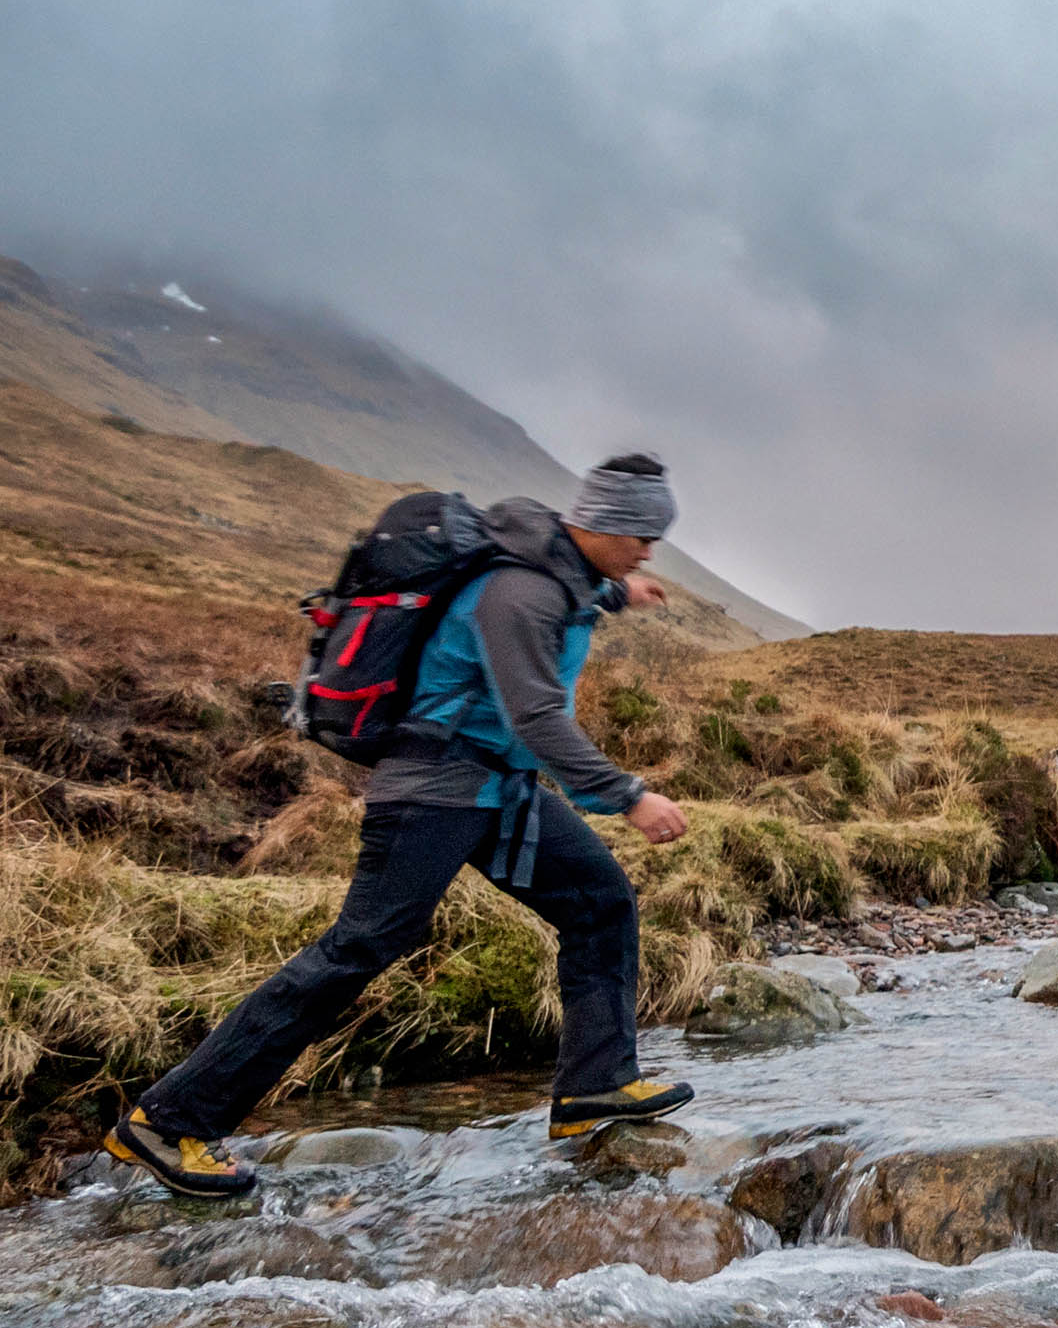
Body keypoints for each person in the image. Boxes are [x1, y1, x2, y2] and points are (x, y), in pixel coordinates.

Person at [109, 457, 700, 1199]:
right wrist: (629, 796)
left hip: (496, 790)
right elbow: (536, 716)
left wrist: (619, 592)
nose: (650, 550)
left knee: (599, 900)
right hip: (434, 792)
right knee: (358, 950)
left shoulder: (553, 572)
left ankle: (596, 1087)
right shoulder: (522, 590)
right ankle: (169, 1121)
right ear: (604, 522)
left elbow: (571, 598)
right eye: (643, 537)